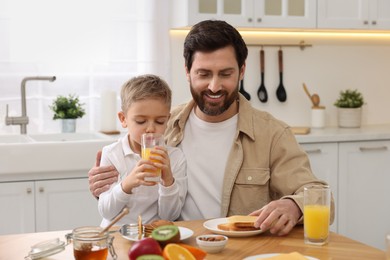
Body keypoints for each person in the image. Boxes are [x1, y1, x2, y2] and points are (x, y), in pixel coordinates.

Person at [89, 20, 334, 235]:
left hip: (241, 251)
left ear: (242, 71)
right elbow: (126, 178)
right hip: (178, 246)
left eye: (225, 74)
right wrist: (108, 185)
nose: (214, 86)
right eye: (203, 74)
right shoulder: (163, 123)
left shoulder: (272, 133)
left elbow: (321, 198)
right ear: (187, 72)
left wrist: (293, 205)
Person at [97, 74, 187, 227]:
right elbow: (106, 211)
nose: (151, 128)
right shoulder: (112, 154)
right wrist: (126, 185)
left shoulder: (174, 157)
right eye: (141, 121)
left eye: (160, 121)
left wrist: (168, 182)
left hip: (152, 236)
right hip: (115, 236)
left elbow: (170, 215)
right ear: (123, 119)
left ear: (168, 120)